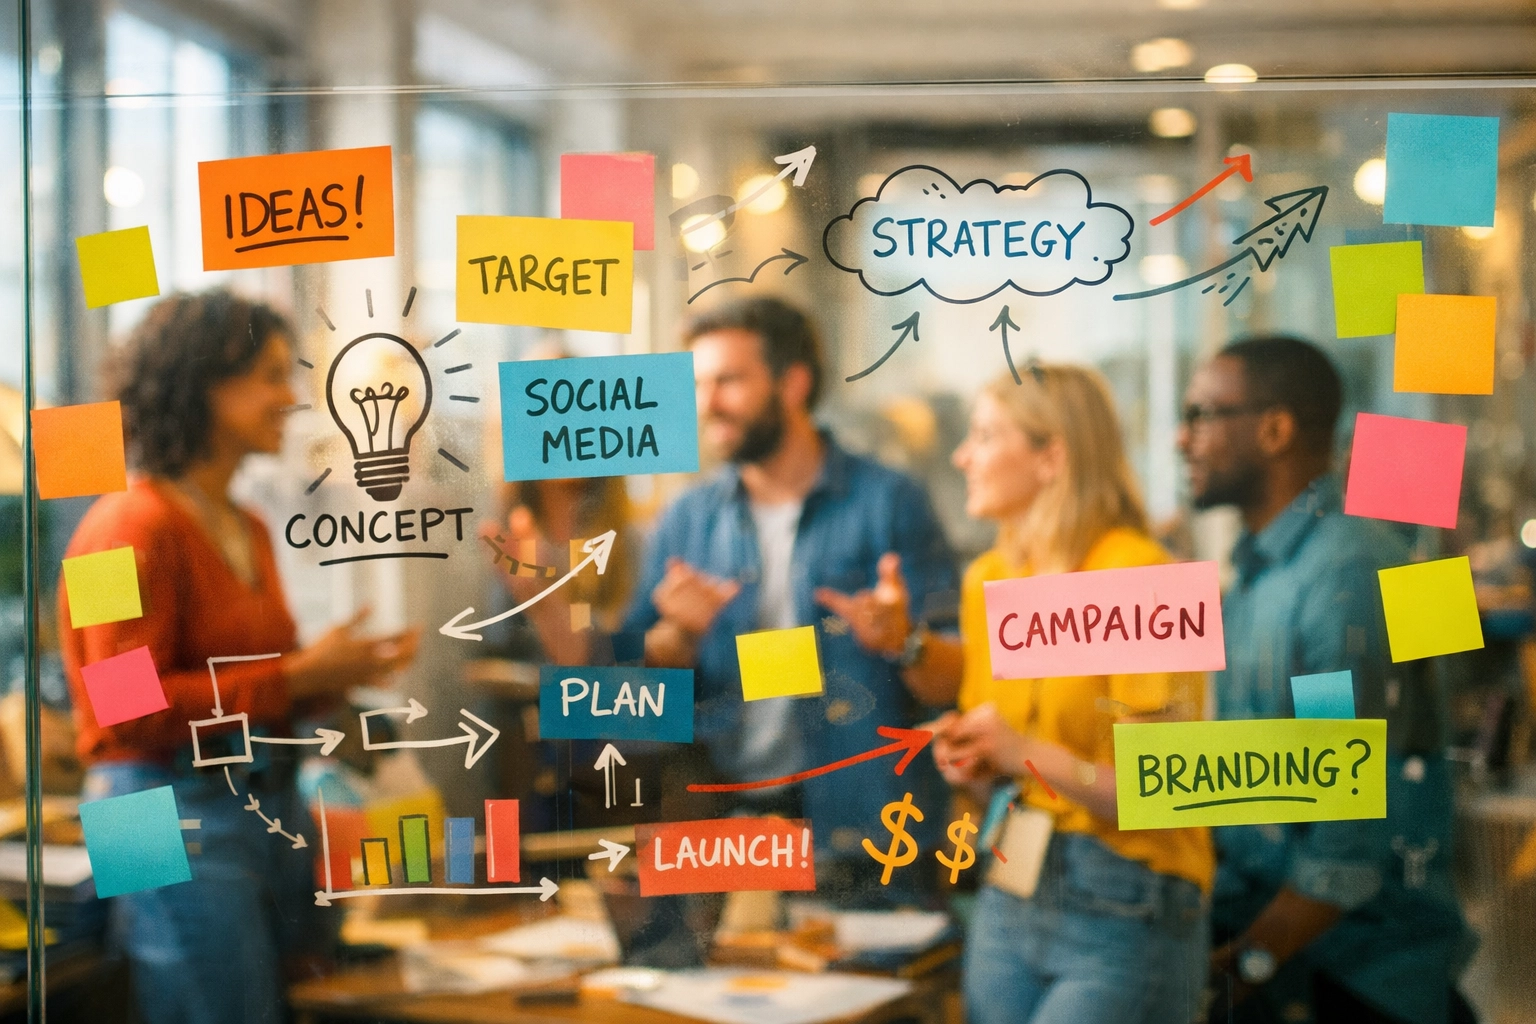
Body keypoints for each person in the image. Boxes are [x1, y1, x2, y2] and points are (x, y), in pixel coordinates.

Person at [59, 291, 419, 1024]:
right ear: (199, 384)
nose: (287, 398)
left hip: (258, 801)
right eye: (267, 375)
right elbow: (120, 713)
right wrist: (297, 677)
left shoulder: (246, 525)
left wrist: (335, 680)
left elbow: (256, 683)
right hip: (143, 807)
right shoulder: (118, 529)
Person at [872, 365, 1211, 1024]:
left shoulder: (1146, 575)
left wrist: (1020, 749)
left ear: (1051, 456)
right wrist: (972, 760)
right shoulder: (987, 579)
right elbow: (1000, 772)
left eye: (985, 436)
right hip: (1012, 888)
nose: (961, 456)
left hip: (1127, 900)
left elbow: (1166, 794)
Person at [1179, 336, 1474, 1024]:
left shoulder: (1347, 576)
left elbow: (1343, 835)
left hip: (1355, 980)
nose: (1180, 437)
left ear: (1275, 430)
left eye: (1201, 414)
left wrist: (1239, 973)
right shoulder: (1259, 571)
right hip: (1284, 955)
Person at [624, 296, 956, 900]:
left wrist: (903, 639)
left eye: (728, 381)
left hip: (866, 836)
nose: (708, 404)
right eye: (699, 384)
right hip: (731, 827)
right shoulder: (687, 523)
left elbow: (955, 677)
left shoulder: (888, 503)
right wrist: (675, 642)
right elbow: (631, 714)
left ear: (793, 383)